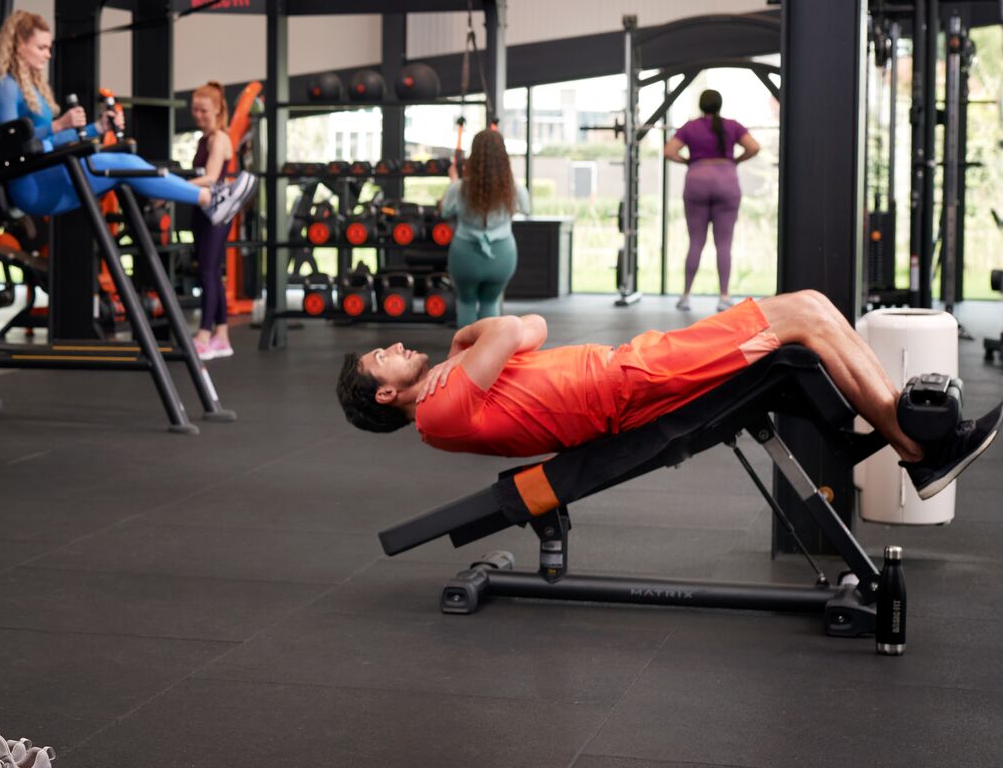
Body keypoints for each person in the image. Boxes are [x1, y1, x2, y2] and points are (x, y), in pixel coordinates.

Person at [334, 291, 999, 500]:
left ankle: (916, 447)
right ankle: (919, 451)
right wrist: (469, 343)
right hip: (628, 384)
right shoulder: (439, 408)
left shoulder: (455, 384)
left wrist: (464, 349)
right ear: (388, 394)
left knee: (811, 313)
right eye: (382, 358)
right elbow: (513, 327)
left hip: (628, 370)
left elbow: (533, 327)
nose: (393, 346)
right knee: (806, 317)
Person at [0, 10, 254, 228]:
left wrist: (97, 127)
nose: (48, 54)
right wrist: (58, 125)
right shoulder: (4, 86)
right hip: (29, 186)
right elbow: (8, 146)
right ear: (20, 45)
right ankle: (209, 199)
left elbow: (49, 141)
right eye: (41, 47)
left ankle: (209, 198)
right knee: (124, 164)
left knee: (128, 165)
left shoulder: (32, 88)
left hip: (46, 171)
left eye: (49, 47)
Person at [664, 89, 760, 311]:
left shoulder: (690, 127)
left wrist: (688, 162)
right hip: (726, 180)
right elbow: (754, 147)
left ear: (701, 105)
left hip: (697, 181)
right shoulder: (732, 125)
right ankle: (724, 297)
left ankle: (686, 296)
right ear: (720, 105)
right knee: (724, 244)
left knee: (696, 242)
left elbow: (669, 151)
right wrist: (734, 160)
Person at [440, 128, 530, 324]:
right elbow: (527, 208)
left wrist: (454, 180)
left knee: (465, 302)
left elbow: (445, 211)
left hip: (464, 255)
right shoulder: (515, 189)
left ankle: (466, 354)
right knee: (491, 301)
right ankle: (491, 352)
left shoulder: (459, 188)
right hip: (502, 256)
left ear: (474, 155)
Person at [187, 81, 241, 360]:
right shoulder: (202, 139)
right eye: (195, 109)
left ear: (218, 109)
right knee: (211, 273)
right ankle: (222, 335)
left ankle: (205, 334)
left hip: (215, 214)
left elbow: (210, 177)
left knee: (208, 273)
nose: (198, 115)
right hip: (202, 211)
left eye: (203, 110)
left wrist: (173, 185)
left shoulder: (220, 138)